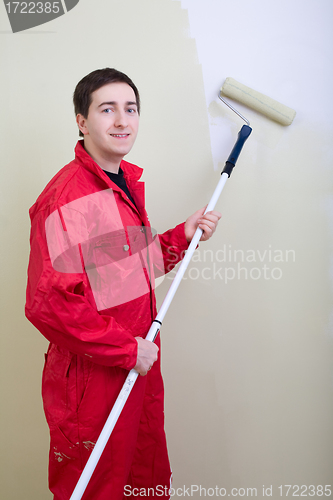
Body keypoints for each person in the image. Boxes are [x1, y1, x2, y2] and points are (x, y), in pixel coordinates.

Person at [25, 68, 221, 500]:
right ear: (82, 120)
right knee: (99, 488)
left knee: (141, 483)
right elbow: (49, 304)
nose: (121, 120)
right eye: (107, 109)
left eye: (130, 109)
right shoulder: (68, 198)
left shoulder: (121, 185)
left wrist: (180, 237)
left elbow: (125, 275)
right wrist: (128, 349)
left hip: (135, 370)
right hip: (94, 381)